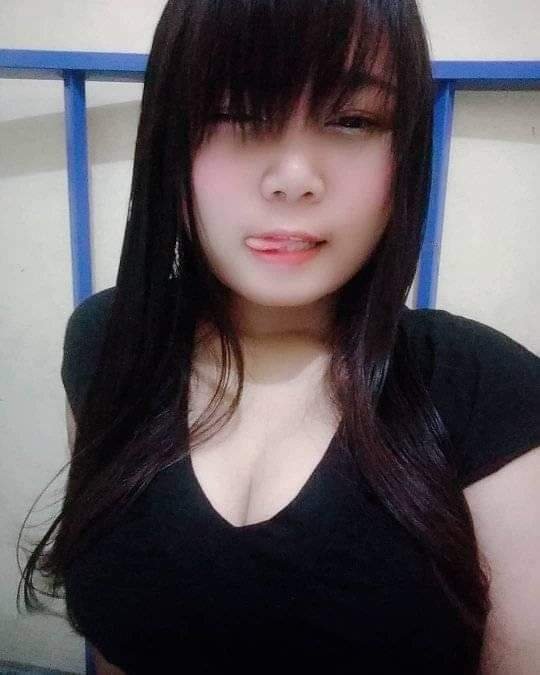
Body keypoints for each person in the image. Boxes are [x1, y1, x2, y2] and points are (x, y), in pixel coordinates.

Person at [18, 1, 540, 673]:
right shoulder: (106, 345)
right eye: (235, 113)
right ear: (171, 138)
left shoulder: (490, 393)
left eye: (352, 120)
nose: (294, 178)